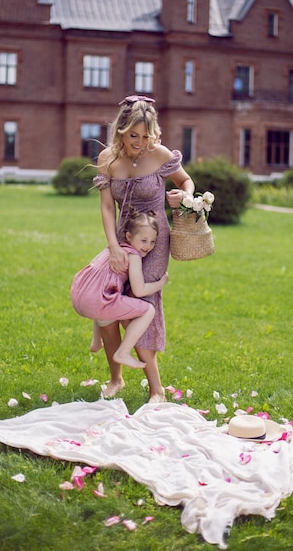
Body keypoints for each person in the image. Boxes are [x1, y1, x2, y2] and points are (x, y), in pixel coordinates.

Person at [94, 94, 195, 403]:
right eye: (132, 135)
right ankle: (116, 379)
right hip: (123, 239)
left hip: (154, 240)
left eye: (145, 135)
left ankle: (157, 390)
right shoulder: (108, 159)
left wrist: (183, 196)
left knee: (141, 302)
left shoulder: (160, 154)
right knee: (107, 305)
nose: (139, 142)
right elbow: (107, 208)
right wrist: (113, 246)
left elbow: (187, 181)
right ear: (120, 130)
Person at [71, 208, 169, 370]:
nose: (149, 246)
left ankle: (97, 341)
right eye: (144, 240)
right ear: (129, 237)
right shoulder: (133, 255)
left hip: (79, 296)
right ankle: (123, 352)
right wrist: (162, 282)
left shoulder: (113, 249)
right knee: (148, 311)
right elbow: (139, 290)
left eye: (153, 241)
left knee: (105, 295)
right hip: (97, 302)